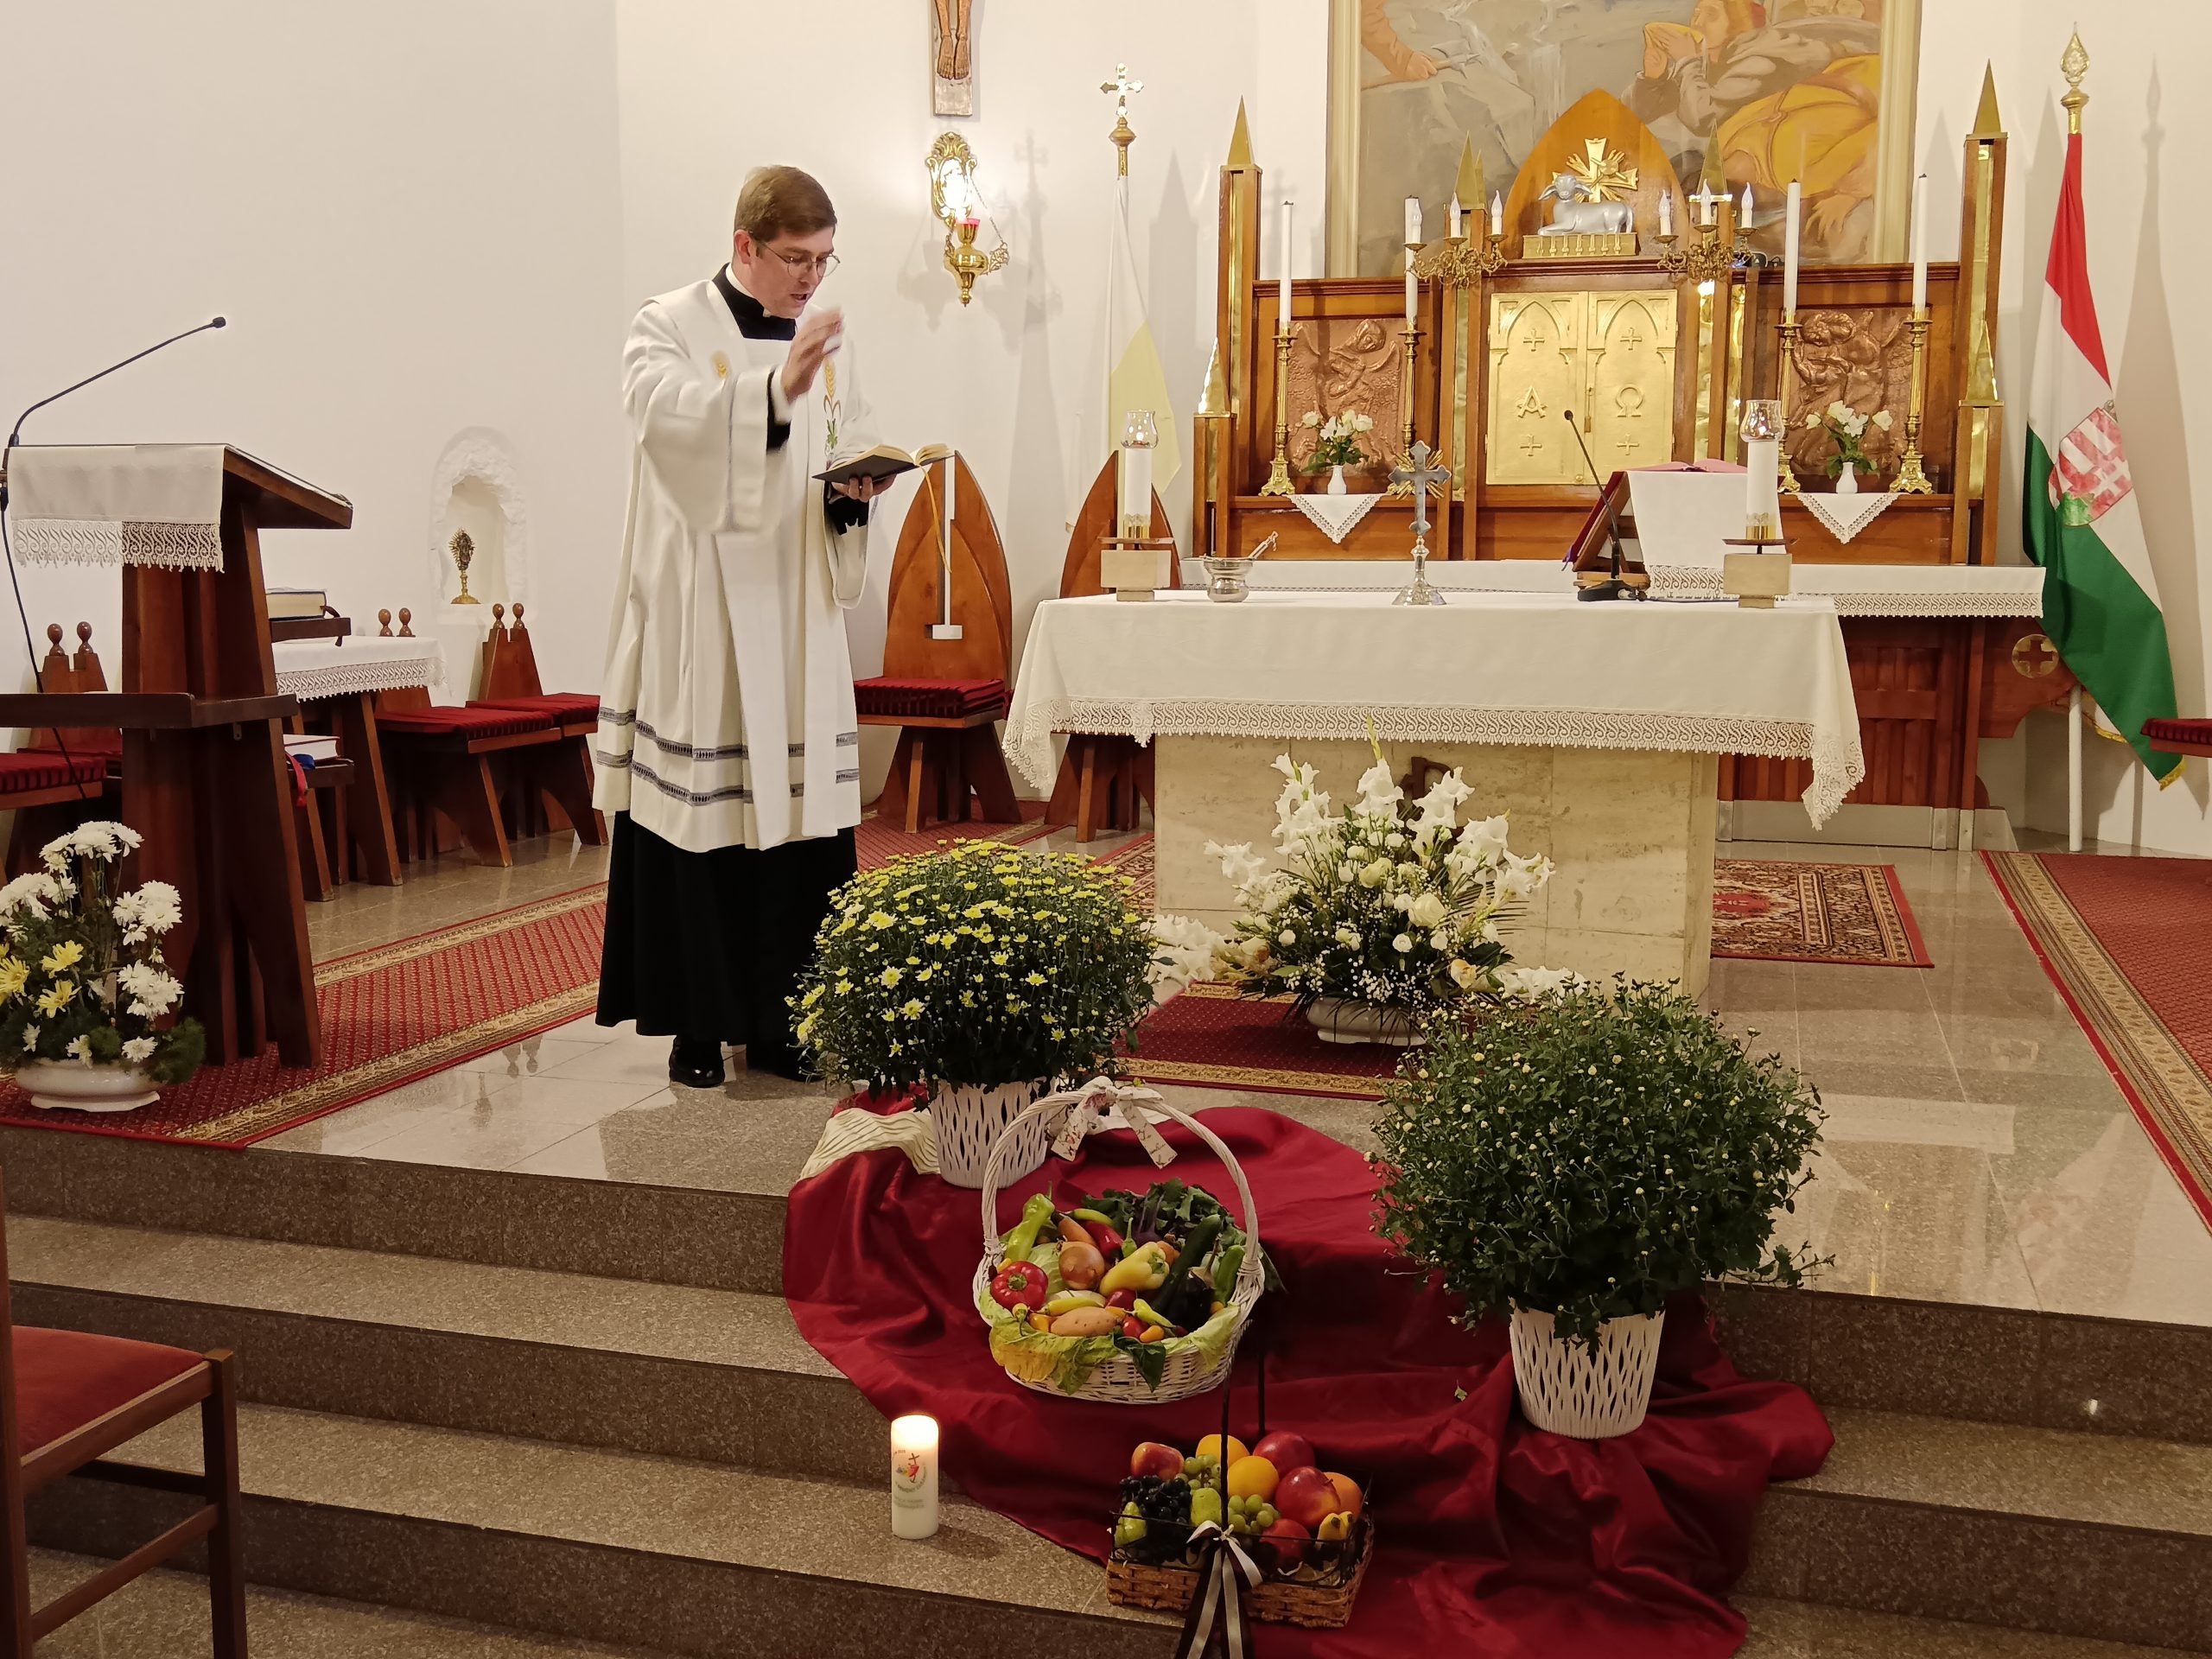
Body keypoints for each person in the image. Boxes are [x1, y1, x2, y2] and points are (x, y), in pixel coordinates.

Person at [593, 165, 889, 1089]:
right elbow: (664, 422)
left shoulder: (824, 338)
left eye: (825, 260)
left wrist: (852, 493)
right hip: (707, 618)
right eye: (796, 259)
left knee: (799, 833)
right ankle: (697, 1024)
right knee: (703, 824)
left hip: (795, 614)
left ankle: (786, 1024)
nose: (811, 278)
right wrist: (768, 393)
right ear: (743, 246)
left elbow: (838, 445)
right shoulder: (668, 323)